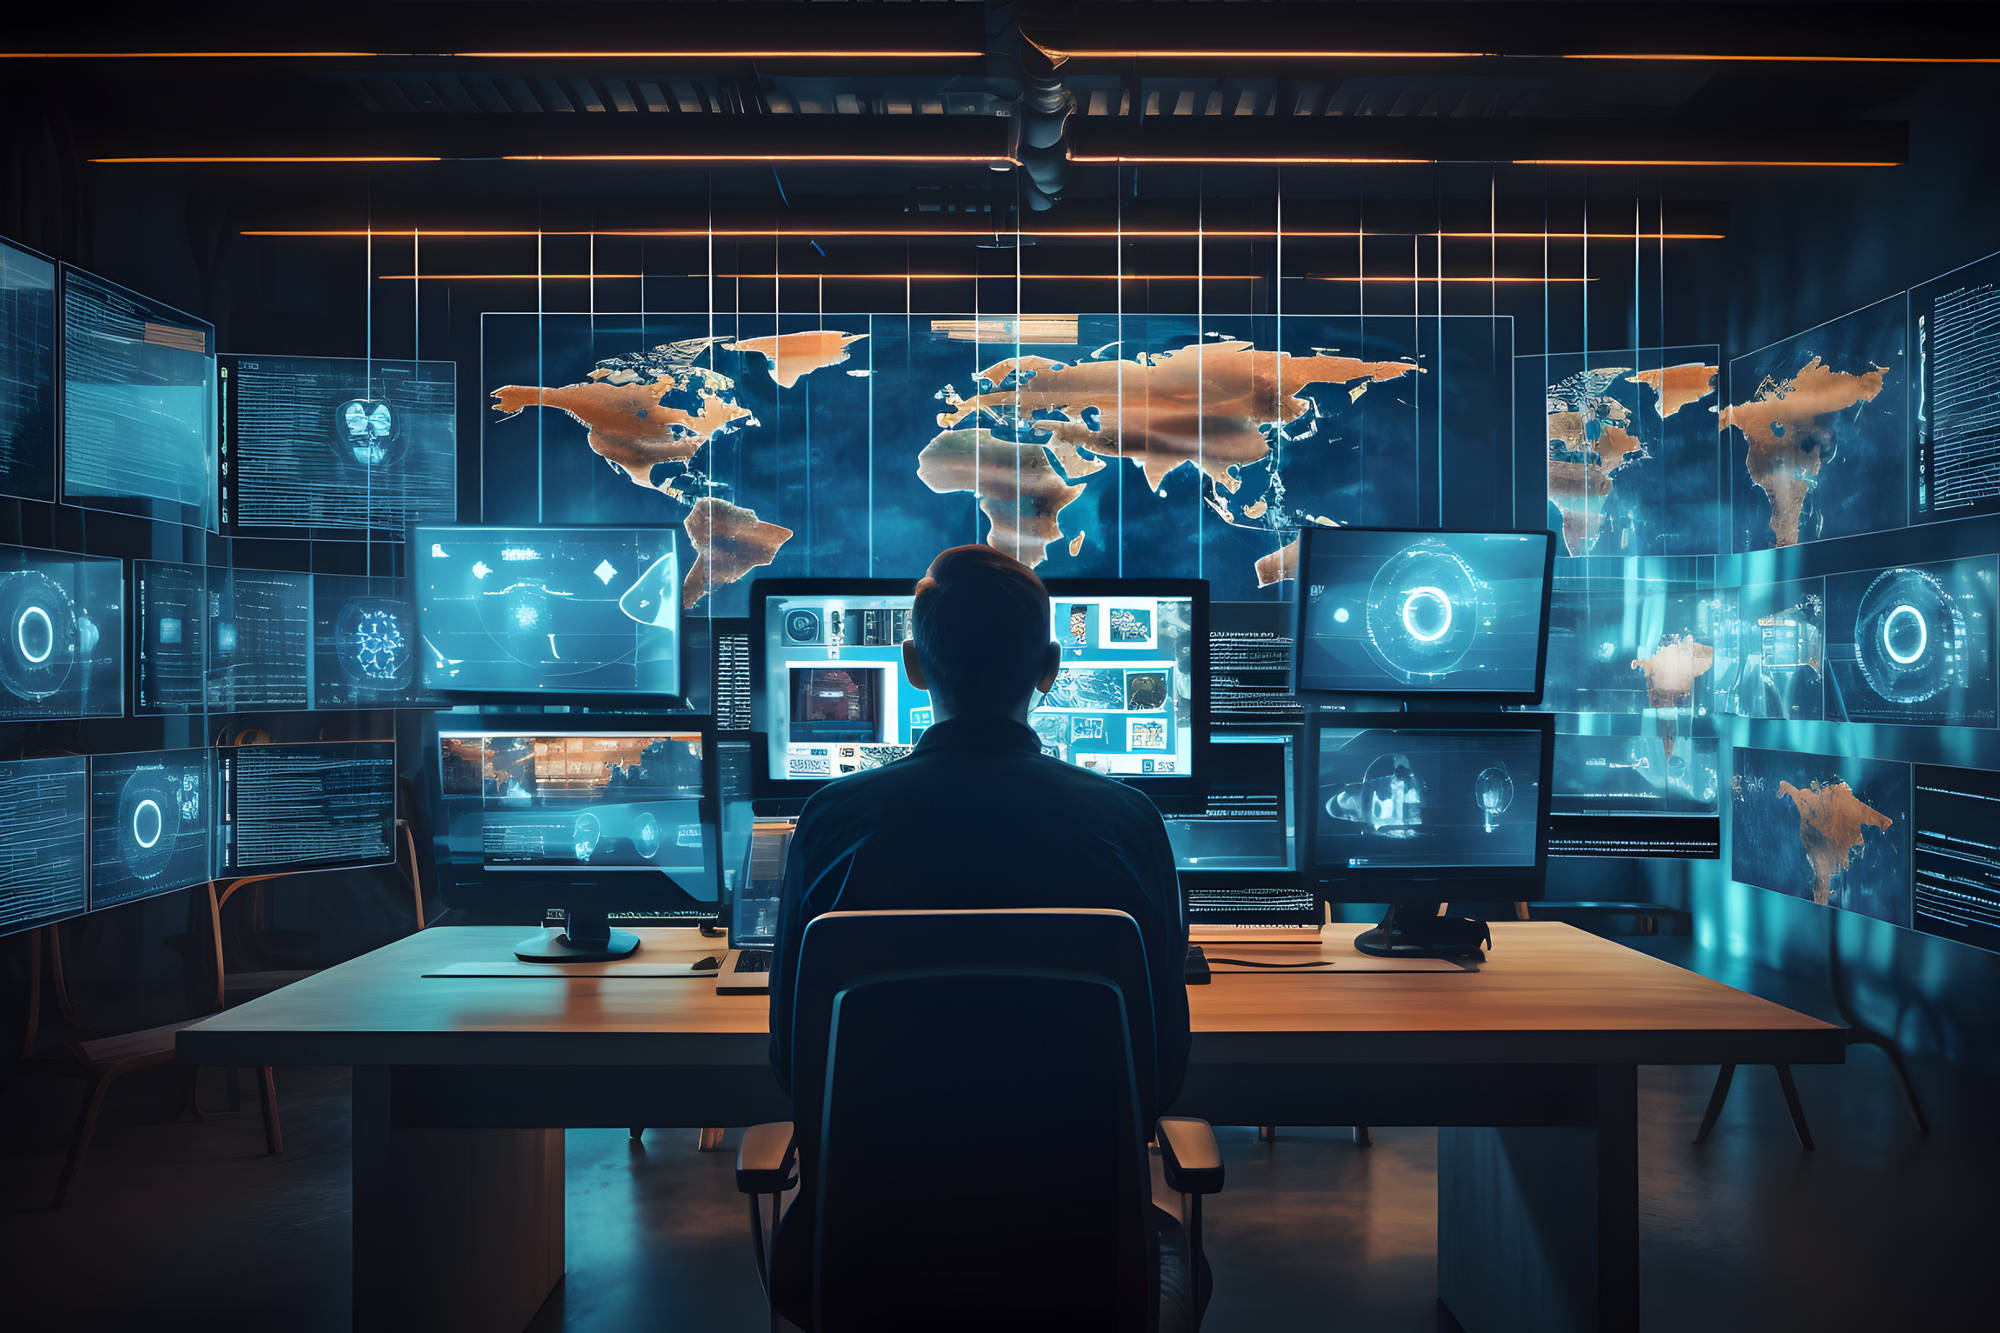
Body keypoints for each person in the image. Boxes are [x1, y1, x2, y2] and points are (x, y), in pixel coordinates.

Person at [765, 544, 1199, 1317]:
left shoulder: (830, 823)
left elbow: (793, 1065)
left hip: (871, 1256)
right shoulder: (1130, 824)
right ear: (1052, 667)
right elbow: (1161, 1073)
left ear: (911, 666)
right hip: (1079, 1258)